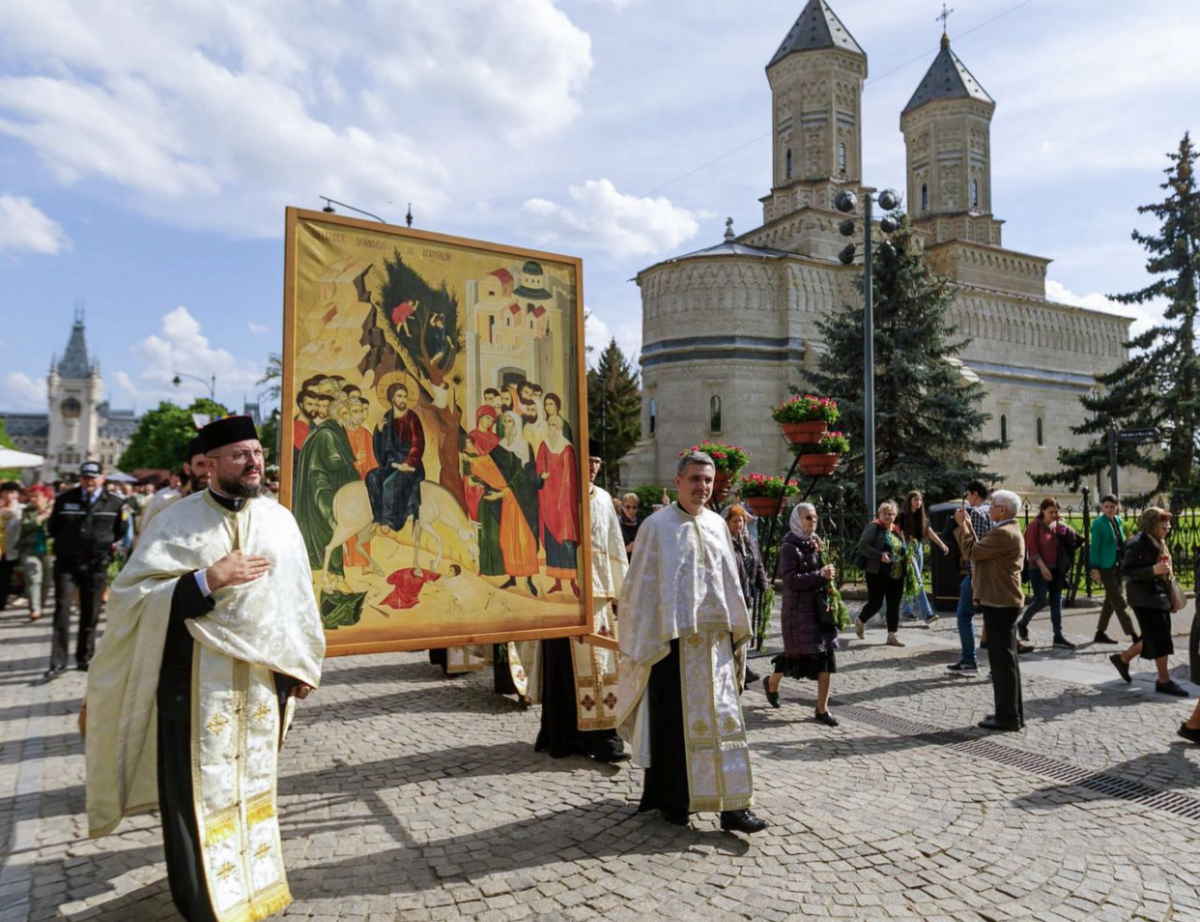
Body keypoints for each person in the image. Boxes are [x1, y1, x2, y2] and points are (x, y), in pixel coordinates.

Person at [82, 415, 324, 922]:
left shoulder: (281, 520)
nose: (254, 462)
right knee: (192, 799)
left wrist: (300, 665)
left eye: (257, 452)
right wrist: (206, 580)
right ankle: (203, 905)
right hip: (191, 686)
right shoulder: (175, 521)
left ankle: (255, 889)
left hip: (259, 687)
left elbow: (298, 600)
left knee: (255, 786)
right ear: (209, 465)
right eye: (240, 454)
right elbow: (131, 599)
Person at [617, 451, 768, 834]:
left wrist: (736, 633)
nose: (703, 486)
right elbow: (640, 588)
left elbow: (729, 583)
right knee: (675, 727)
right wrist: (648, 637)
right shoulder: (656, 527)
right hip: (673, 647)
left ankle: (733, 806)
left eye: (708, 480)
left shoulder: (719, 525)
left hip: (714, 646)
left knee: (725, 723)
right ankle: (674, 800)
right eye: (696, 479)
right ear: (678, 480)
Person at [529, 440, 629, 762]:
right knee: (566, 671)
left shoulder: (601, 499)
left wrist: (621, 592)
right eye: (589, 460)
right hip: (566, 596)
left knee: (604, 668)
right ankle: (566, 735)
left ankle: (603, 736)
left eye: (598, 461)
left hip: (599, 595)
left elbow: (614, 544)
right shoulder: (556, 491)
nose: (594, 467)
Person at [44, 462, 130, 678]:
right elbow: (53, 528)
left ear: (102, 478)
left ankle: (85, 657)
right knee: (62, 611)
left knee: (90, 612)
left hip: (96, 563)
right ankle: (58, 662)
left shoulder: (115, 502)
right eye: (85, 477)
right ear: (80, 478)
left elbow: (120, 531)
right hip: (67, 563)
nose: (89, 481)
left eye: (93, 477)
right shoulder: (65, 499)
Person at [954, 488, 1026, 731]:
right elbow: (982, 549)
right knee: (1008, 659)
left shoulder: (1003, 533)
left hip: (1000, 601)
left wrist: (962, 526)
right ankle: (1012, 712)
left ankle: (1008, 717)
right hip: (1003, 600)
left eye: (993, 505)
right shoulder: (1007, 530)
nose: (989, 508)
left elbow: (971, 552)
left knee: (1001, 662)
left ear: (1002, 510)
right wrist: (969, 527)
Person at [764, 503, 839, 725]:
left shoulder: (816, 542)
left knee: (826, 657)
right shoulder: (789, 547)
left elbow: (825, 573)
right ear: (798, 520)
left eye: (815, 517)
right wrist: (820, 574)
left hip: (820, 610)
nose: (812, 521)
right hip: (799, 612)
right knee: (795, 657)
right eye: (808, 517)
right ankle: (772, 682)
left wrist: (829, 574)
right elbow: (791, 581)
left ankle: (822, 709)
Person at [1109, 507, 1189, 697]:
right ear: (1152, 526)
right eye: (1163, 525)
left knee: (1155, 636)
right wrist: (1153, 570)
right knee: (1159, 636)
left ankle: (1123, 658)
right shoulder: (1137, 543)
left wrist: (1171, 597)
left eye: (1168, 524)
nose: (1168, 528)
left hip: (1158, 596)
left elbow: (1165, 574)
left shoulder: (1159, 542)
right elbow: (1127, 571)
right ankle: (1163, 680)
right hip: (1143, 598)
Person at [1017, 498, 1078, 649]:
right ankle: (1022, 623)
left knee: (1056, 602)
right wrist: (1043, 568)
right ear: (1043, 510)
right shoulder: (1034, 526)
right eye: (1051, 512)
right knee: (1040, 600)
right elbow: (1032, 549)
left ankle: (1058, 637)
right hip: (1038, 569)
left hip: (1055, 569)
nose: (1054, 514)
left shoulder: (1057, 526)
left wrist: (1063, 528)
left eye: (1056, 512)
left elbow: (1071, 542)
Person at [367, 382, 426, 534]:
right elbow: (383, 448)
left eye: (405, 396)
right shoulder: (388, 416)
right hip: (393, 463)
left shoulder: (412, 418)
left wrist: (408, 462)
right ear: (392, 398)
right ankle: (378, 517)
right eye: (399, 396)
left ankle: (389, 520)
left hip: (411, 465)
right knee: (372, 477)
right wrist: (379, 431)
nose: (403, 399)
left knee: (389, 483)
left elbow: (417, 444)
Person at [945, 481, 991, 675]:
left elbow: (973, 549)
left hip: (977, 573)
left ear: (973, 494)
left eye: (968, 495)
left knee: (964, 615)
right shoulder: (993, 512)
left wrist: (961, 524)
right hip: (989, 573)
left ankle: (969, 660)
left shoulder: (978, 514)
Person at [535, 414, 581, 596]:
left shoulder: (567, 449)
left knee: (567, 542)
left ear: (560, 428)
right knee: (553, 544)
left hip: (564, 503)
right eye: (549, 425)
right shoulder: (544, 446)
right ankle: (557, 583)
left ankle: (573, 583)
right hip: (548, 500)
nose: (550, 429)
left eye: (554, 425)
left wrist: (563, 502)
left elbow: (568, 479)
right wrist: (541, 477)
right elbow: (539, 468)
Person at [854, 501, 907, 647]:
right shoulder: (874, 527)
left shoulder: (896, 530)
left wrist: (907, 557)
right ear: (880, 514)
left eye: (891, 514)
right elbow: (862, 546)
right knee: (876, 603)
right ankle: (861, 620)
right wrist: (879, 555)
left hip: (896, 573)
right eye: (884, 513)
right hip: (877, 572)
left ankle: (892, 635)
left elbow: (901, 548)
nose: (887, 516)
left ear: (895, 516)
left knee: (894, 604)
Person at [1090, 493, 1136, 645]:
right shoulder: (1098, 523)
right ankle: (1134, 635)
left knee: (1110, 602)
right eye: (1106, 507)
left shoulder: (1117, 520)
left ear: (1117, 508)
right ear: (1102, 507)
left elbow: (1120, 543)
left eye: (1112, 507)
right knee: (1119, 601)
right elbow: (1094, 547)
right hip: (1105, 567)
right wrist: (1095, 568)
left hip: (1118, 566)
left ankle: (1100, 633)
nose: (1109, 510)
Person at [897, 489, 948, 625]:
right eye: (915, 500)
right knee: (918, 581)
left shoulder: (921, 516)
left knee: (912, 582)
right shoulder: (903, 515)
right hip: (908, 548)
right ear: (909, 501)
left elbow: (928, 531)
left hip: (918, 548)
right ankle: (928, 614)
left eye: (920, 500)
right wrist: (905, 551)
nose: (918, 503)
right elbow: (900, 533)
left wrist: (941, 543)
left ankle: (907, 611)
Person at [17, 484, 54, 621]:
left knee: (46, 581)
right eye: (31, 496)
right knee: (33, 578)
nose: (33, 499)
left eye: (36, 496)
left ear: (46, 497)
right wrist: (40, 518)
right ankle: (35, 608)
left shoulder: (54, 512)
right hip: (29, 549)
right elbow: (25, 526)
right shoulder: (27, 511)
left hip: (49, 551)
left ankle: (41, 606)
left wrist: (48, 516)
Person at [0, 481, 24, 612]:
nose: (9, 495)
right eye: (6, 492)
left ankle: (1, 602)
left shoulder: (21, 510)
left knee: (5, 576)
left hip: (12, 549)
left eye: (12, 492)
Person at [619, 493, 641, 559]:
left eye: (634, 507)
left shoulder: (642, 525)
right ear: (622, 507)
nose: (631, 510)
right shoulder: (617, 525)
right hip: (623, 562)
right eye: (628, 507)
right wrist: (626, 549)